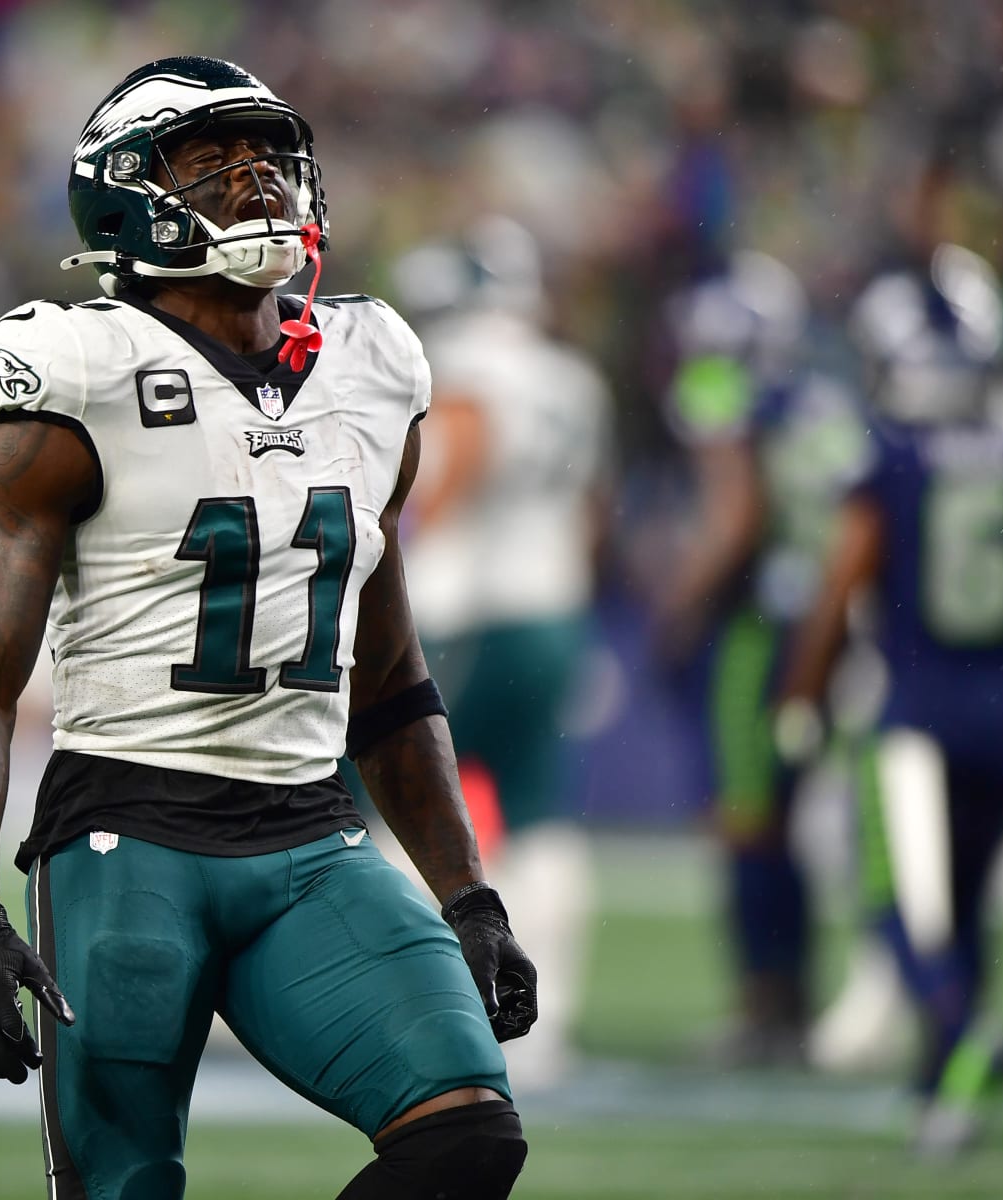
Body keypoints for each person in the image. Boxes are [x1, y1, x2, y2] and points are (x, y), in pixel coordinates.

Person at [0, 57, 535, 1200]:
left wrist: (468, 893)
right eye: (209, 160)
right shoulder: (78, 367)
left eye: (268, 153)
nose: (255, 178)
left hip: (312, 836)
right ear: (122, 193)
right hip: (129, 833)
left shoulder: (373, 363)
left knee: (467, 1137)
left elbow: (391, 676)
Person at [779, 244, 1003, 1155]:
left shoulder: (890, 456)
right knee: (962, 909)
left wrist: (800, 699)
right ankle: (943, 1100)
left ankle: (966, 1039)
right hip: (1001, 719)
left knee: (899, 904)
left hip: (912, 722)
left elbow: (844, 581)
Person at [393, 216, 610, 1088]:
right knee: (540, 808)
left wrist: (405, 535)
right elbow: (590, 506)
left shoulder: (471, 363)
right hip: (553, 603)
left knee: (399, 798)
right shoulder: (574, 378)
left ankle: (408, 1003)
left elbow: (458, 464)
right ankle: (549, 1021)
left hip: (472, 611)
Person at [652, 251, 873, 1065]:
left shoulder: (723, 390)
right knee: (784, 818)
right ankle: (795, 999)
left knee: (749, 819)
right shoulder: (819, 393)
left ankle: (765, 1002)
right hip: (833, 621)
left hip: (764, 623)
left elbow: (734, 515)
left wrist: (677, 601)